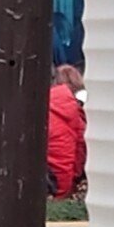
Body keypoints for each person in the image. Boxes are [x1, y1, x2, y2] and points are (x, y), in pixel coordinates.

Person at [47, 60, 88, 201]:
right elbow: (81, 152)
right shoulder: (79, 112)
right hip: (64, 183)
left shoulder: (44, 103)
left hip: (48, 182)